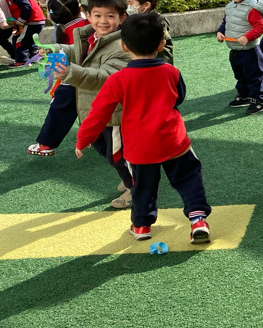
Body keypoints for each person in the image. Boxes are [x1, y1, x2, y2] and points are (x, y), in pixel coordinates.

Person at [75, 12, 211, 243]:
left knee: (142, 186)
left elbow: (98, 114)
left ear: (124, 45)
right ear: (161, 45)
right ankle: (198, 219)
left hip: (139, 147)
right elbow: (178, 98)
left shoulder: (118, 79)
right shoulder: (171, 71)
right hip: (173, 140)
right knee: (188, 178)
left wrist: (83, 139)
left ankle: (141, 226)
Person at [47, 0, 134, 207]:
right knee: (104, 150)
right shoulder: (91, 37)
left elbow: (106, 77)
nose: (103, 21)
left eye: (110, 16)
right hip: (95, 110)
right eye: (97, 15)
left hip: (114, 113)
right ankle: (131, 176)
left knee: (117, 155)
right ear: (88, 15)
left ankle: (136, 189)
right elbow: (77, 52)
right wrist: (55, 49)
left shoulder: (122, 46)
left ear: (122, 18)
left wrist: (70, 73)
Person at [27, 0, 88, 157]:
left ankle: (46, 143)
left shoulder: (69, 31)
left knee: (61, 102)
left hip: (81, 76)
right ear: (80, 9)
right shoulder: (86, 24)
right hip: (90, 73)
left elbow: (70, 58)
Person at [216, 0, 263, 115]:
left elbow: (260, 27)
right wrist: (220, 32)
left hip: (250, 51)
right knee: (240, 75)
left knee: (254, 76)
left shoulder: (251, 9)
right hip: (235, 50)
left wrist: (247, 36)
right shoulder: (230, 7)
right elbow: (226, 22)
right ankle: (244, 96)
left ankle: (258, 101)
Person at [124, 0, 173, 64]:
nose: (128, 6)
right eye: (127, 2)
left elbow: (164, 52)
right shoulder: (133, 19)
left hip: (156, 64)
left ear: (146, 5)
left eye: (131, 3)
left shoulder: (158, 23)